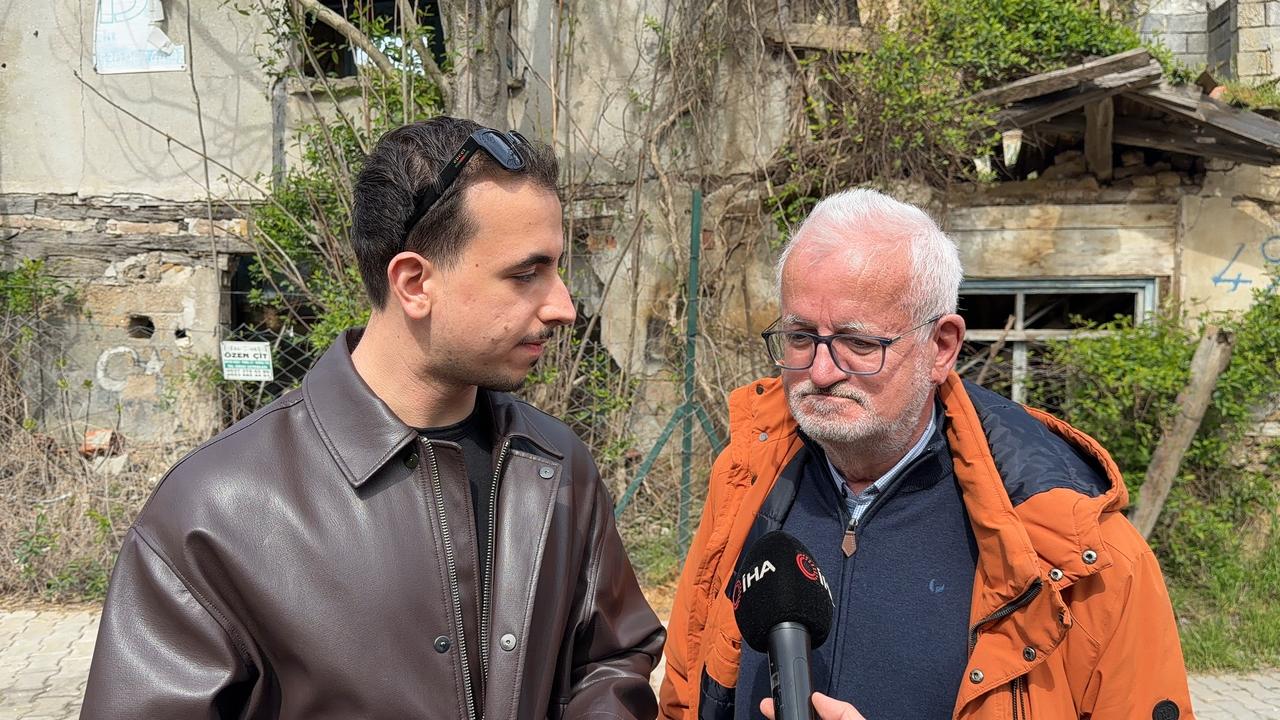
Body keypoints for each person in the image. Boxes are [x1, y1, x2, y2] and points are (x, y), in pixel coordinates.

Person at [82, 117, 665, 720]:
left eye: (557, 268)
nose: (564, 305)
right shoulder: (215, 508)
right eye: (526, 273)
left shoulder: (558, 463)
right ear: (414, 282)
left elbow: (610, 659)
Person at [658, 189, 1193, 720]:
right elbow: (681, 699)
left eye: (859, 344)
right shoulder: (742, 487)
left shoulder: (1077, 549)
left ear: (942, 346)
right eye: (801, 337)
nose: (821, 372)